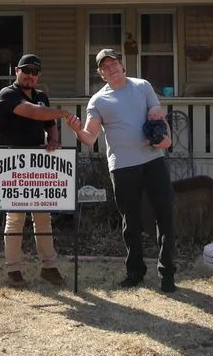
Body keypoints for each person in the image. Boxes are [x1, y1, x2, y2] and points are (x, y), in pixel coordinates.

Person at [66, 48, 176, 292]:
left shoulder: (142, 86)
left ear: (122, 65)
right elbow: (89, 136)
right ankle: (135, 273)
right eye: (105, 67)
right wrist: (75, 128)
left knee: (165, 216)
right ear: (100, 73)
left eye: (113, 63)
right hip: (123, 166)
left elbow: (157, 115)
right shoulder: (98, 100)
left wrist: (166, 135)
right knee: (131, 221)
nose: (111, 68)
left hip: (153, 160)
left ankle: (167, 274)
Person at [0, 53, 73, 288]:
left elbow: (49, 124)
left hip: (38, 161)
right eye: (26, 70)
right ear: (16, 71)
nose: (30, 75)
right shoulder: (8, 94)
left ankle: (49, 268)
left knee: (43, 217)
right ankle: (13, 271)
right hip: (12, 161)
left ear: (38, 75)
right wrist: (65, 113)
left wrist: (54, 139)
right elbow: (32, 112)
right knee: (16, 218)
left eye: (35, 72)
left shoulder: (42, 96)